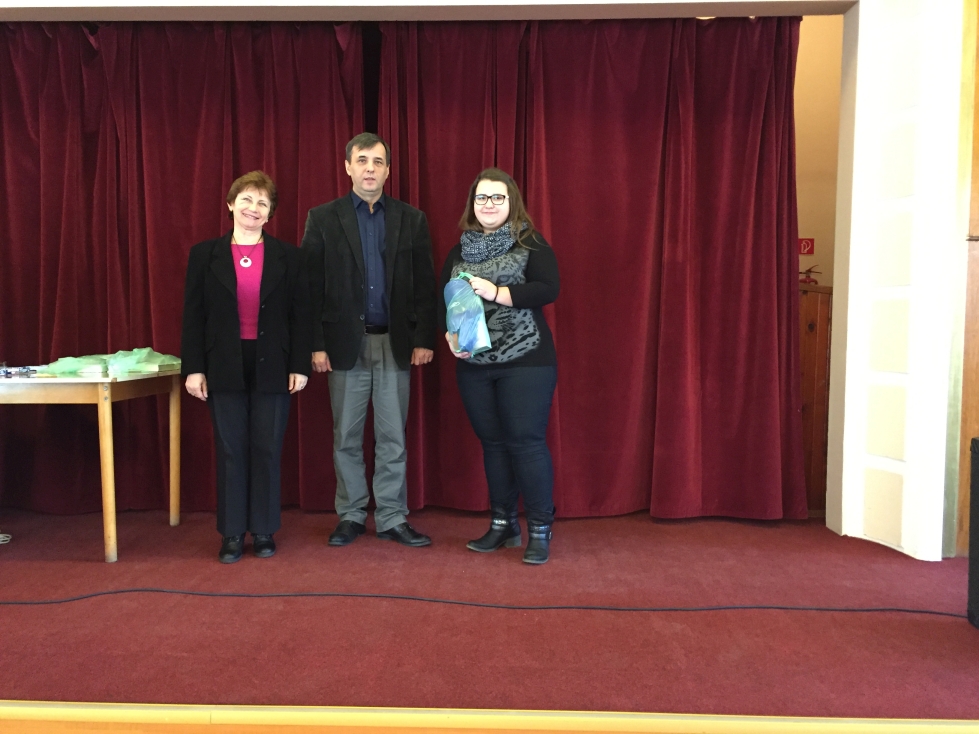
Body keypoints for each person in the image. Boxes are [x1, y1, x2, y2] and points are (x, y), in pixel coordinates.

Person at [301, 133, 437, 548]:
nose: (370, 169)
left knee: (393, 437)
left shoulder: (411, 219)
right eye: (362, 160)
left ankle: (393, 516)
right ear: (348, 167)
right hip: (344, 345)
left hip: (395, 343)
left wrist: (423, 337)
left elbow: (425, 284)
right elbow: (309, 286)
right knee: (346, 436)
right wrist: (315, 344)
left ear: (388, 170)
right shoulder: (323, 218)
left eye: (378, 162)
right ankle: (352, 514)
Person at [181, 171, 311, 563]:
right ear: (230, 204)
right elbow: (193, 316)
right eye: (247, 200)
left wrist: (300, 365)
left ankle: (265, 528)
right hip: (223, 363)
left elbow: (300, 316)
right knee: (231, 449)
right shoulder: (204, 255)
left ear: (270, 214)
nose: (253, 208)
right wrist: (194, 368)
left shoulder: (290, 257)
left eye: (262, 203)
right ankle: (233, 532)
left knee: (267, 448)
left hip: (274, 363)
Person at [439, 168, 560, 564]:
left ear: (512, 203)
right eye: (482, 198)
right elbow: (446, 300)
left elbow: (549, 288)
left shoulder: (530, 242)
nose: (488, 204)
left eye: (497, 197)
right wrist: (450, 336)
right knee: (492, 445)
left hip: (527, 360)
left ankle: (540, 529)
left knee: (526, 443)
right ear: (472, 205)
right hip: (474, 363)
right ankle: (503, 524)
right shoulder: (459, 251)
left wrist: (497, 291)